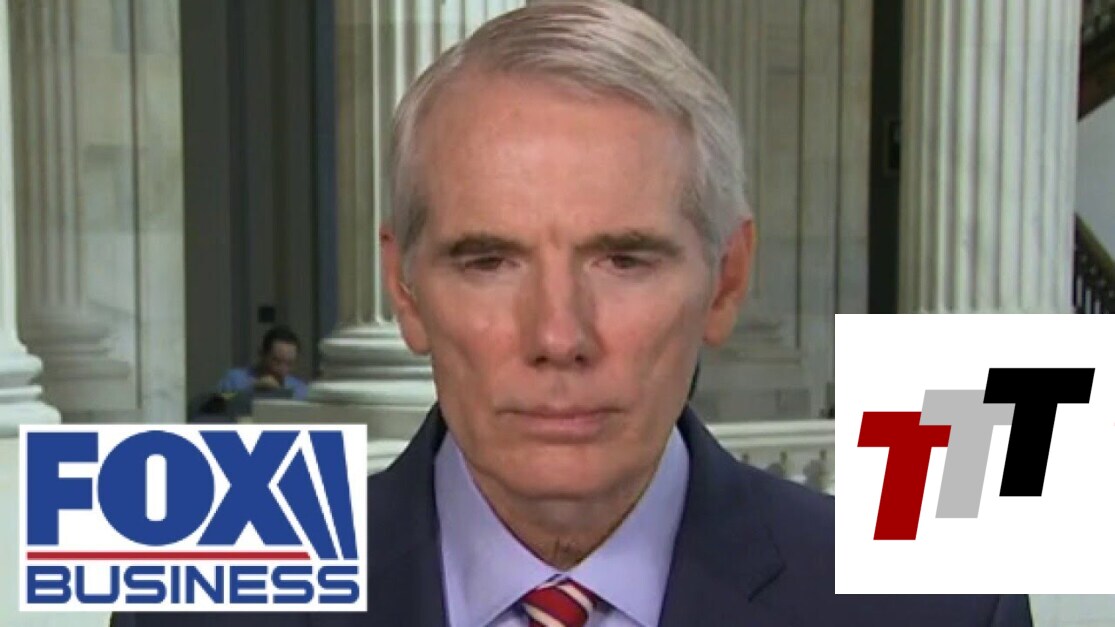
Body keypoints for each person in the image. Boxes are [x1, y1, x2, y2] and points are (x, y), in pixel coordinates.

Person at [114, 1, 1031, 625]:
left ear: (724, 280)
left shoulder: (938, 606)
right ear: (404, 288)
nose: (558, 336)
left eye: (623, 259)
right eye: (487, 260)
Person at [215, 324, 309, 400]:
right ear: (262, 354)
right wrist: (252, 391)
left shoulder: (299, 390)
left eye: (289, 364)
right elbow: (214, 407)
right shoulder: (234, 380)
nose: (283, 369)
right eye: (276, 361)